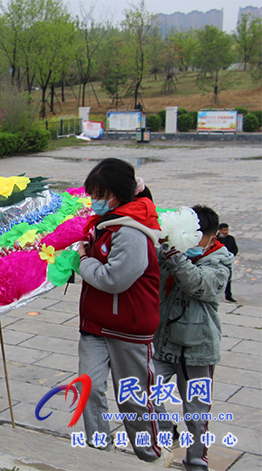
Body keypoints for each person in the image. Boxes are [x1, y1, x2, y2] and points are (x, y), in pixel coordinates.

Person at [76, 159, 172, 466]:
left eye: (100, 194)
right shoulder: (108, 223)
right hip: (95, 325)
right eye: (92, 194)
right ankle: (100, 454)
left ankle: (151, 455)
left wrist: (82, 261)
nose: (94, 201)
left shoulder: (131, 230)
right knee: (88, 387)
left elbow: (115, 279)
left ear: (118, 194)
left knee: (133, 400)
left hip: (127, 328)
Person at [154, 206, 234, 471]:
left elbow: (199, 285)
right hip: (163, 343)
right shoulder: (171, 251)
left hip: (198, 349)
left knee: (197, 415)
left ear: (210, 237)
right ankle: (167, 428)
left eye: (194, 235)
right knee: (143, 390)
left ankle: (197, 462)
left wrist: (175, 256)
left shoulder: (220, 260)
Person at [216, 223, 238, 302]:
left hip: (228, 262)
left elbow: (235, 249)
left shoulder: (231, 238)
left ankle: (228, 296)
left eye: (227, 230)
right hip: (218, 262)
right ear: (220, 230)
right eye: (224, 230)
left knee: (228, 279)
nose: (226, 232)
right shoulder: (216, 239)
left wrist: (230, 256)